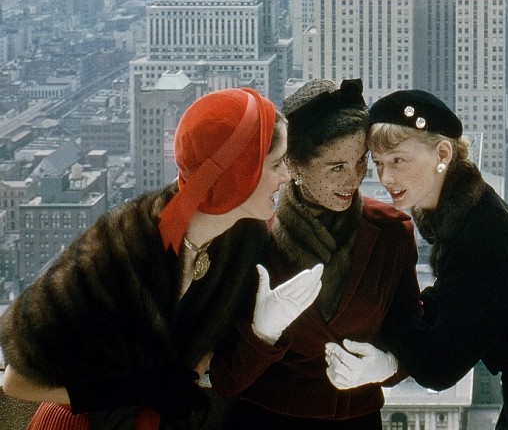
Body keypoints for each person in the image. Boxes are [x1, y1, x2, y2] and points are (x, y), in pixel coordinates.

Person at [0, 86, 323, 430]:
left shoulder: (244, 242)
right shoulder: (122, 252)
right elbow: (16, 380)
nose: (287, 176)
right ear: (237, 174)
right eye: (276, 164)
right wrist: (140, 388)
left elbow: (215, 367)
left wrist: (262, 333)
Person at [327, 88, 508, 429]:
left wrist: (385, 310)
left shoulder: (477, 238)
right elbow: (456, 295)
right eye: (378, 164)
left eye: (398, 161)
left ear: (443, 153)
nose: (386, 178)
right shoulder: (469, 210)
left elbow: (439, 370)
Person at [209, 78, 420, 430]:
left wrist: (388, 365)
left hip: (359, 421)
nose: (352, 180)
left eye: (360, 162)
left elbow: (411, 339)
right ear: (294, 166)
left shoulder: (392, 233)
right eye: (335, 168)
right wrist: (262, 335)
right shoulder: (252, 237)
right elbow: (226, 379)